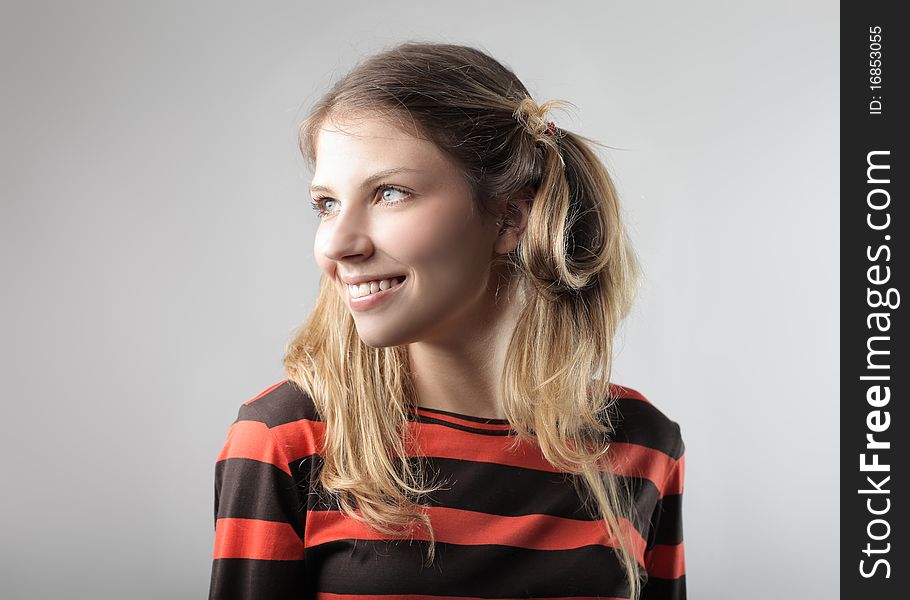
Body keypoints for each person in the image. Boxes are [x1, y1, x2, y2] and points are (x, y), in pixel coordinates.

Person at [208, 41, 685, 600]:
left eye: (389, 193)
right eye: (326, 204)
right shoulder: (285, 439)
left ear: (511, 215)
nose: (335, 244)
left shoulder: (643, 443)